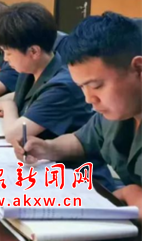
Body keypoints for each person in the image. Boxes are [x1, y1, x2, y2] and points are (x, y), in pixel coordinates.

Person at [13, 12, 142, 218]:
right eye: (82, 87)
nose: (89, 99)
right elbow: (82, 141)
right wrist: (48, 148)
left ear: (138, 69)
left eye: (96, 86)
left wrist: (132, 193)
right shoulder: (116, 112)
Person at [0, 3, 94, 143]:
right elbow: (25, 96)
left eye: (9, 53)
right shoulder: (32, 69)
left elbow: (15, 135)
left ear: (33, 51)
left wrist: (8, 106)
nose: (5, 59)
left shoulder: (61, 87)